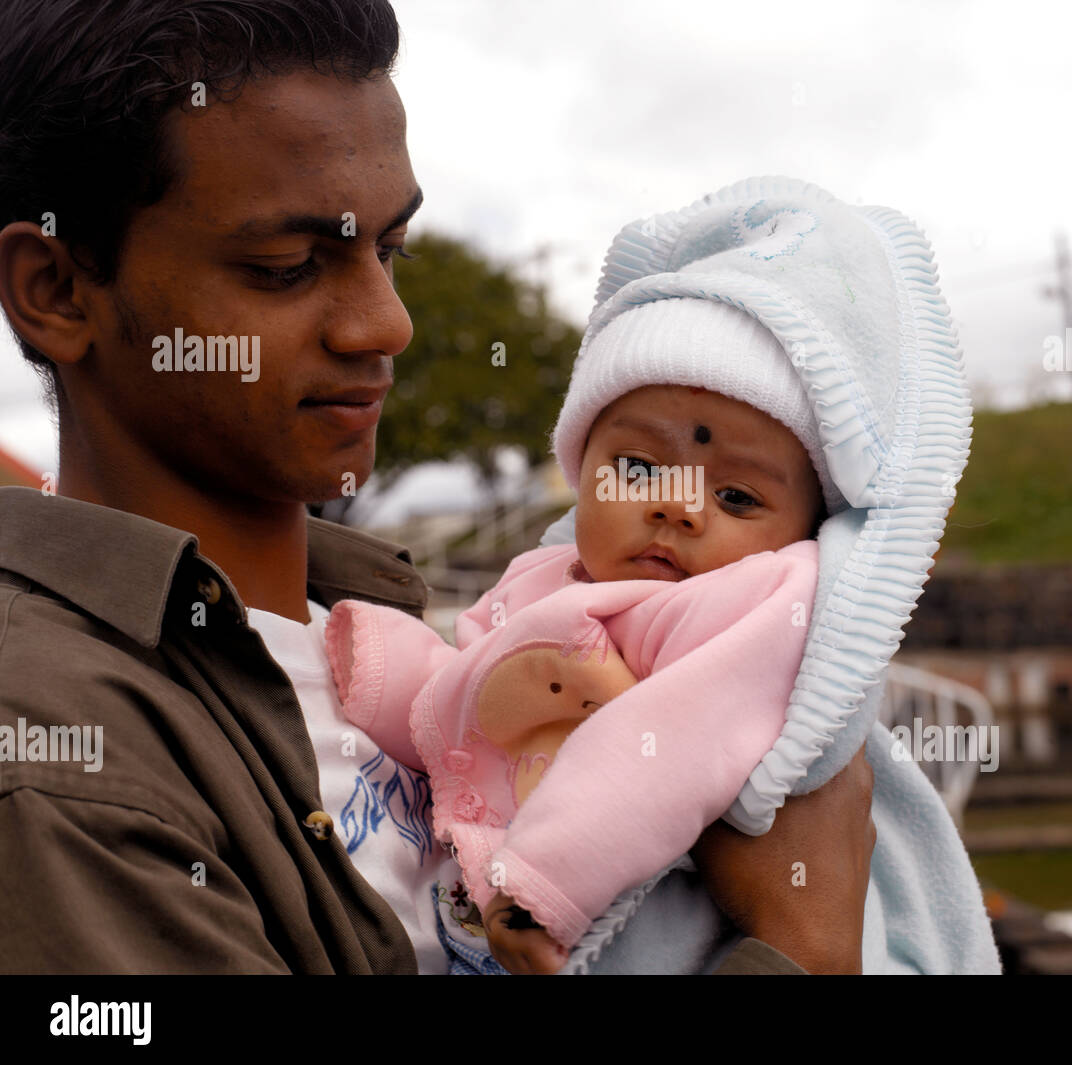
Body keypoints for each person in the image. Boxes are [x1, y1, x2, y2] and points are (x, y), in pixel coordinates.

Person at [0, 0, 872, 975]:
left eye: (391, 250)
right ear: (57, 289)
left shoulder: (408, 635)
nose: (385, 324)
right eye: (287, 268)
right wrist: (798, 952)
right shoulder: (59, 761)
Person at [327, 296, 833, 973]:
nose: (675, 505)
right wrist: (392, 673)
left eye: (736, 497)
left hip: (603, 918)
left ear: (804, 529)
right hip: (485, 902)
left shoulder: (756, 602)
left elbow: (673, 742)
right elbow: (482, 683)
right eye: (638, 468)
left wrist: (546, 881)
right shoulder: (547, 576)